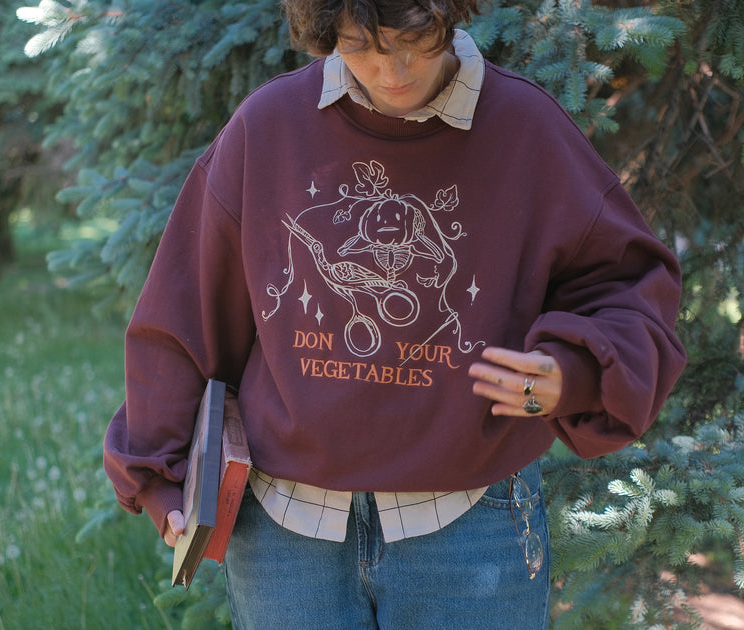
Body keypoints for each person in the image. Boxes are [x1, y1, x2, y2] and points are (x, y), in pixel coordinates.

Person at [103, 0, 687, 627]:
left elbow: (628, 283)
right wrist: (157, 470)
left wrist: (572, 369)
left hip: (470, 522)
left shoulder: (526, 130)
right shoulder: (268, 128)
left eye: (415, 40)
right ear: (325, 32)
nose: (393, 72)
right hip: (285, 534)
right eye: (361, 47)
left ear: (452, 13)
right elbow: (185, 304)